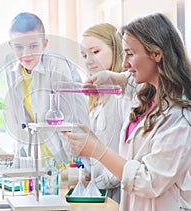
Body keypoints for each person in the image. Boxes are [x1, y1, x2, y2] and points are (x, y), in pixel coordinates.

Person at [64, 13, 191, 210]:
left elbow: (148, 181)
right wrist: (112, 78)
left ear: (157, 54)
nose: (124, 64)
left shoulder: (179, 117)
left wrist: (97, 150)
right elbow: (129, 81)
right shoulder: (147, 94)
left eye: (130, 54)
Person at [3, 12, 90, 168]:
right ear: (11, 46)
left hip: (64, 154)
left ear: (44, 44)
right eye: (19, 47)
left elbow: (70, 117)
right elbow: (18, 116)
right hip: (34, 156)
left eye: (33, 46)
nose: (26, 54)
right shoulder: (10, 64)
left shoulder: (57, 64)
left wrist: (75, 163)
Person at [76, 23, 135, 202]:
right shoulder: (96, 97)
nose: (88, 60)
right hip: (99, 192)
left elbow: (125, 158)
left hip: (116, 194)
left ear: (115, 49)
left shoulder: (122, 97)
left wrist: (96, 183)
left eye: (95, 52)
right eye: (84, 55)